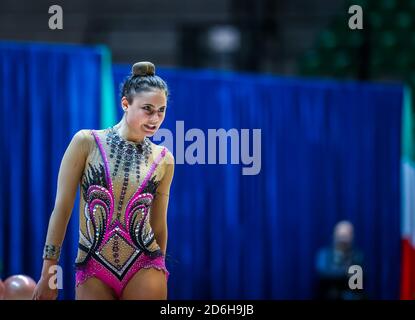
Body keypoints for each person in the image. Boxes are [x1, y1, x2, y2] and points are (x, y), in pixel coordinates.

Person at [32, 61, 175, 300]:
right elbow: (62, 208)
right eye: (147, 109)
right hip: (92, 265)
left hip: (144, 264)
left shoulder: (164, 159)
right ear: (125, 104)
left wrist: (160, 266)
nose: (155, 118)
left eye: (161, 110)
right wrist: (49, 270)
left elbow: (159, 223)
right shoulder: (86, 142)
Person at [315, 220, 365, 300]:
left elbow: (357, 281)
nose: (343, 240)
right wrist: (346, 273)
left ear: (352, 236)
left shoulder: (357, 255)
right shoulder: (324, 254)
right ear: (334, 235)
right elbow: (323, 274)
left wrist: (336, 272)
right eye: (341, 236)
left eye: (346, 236)